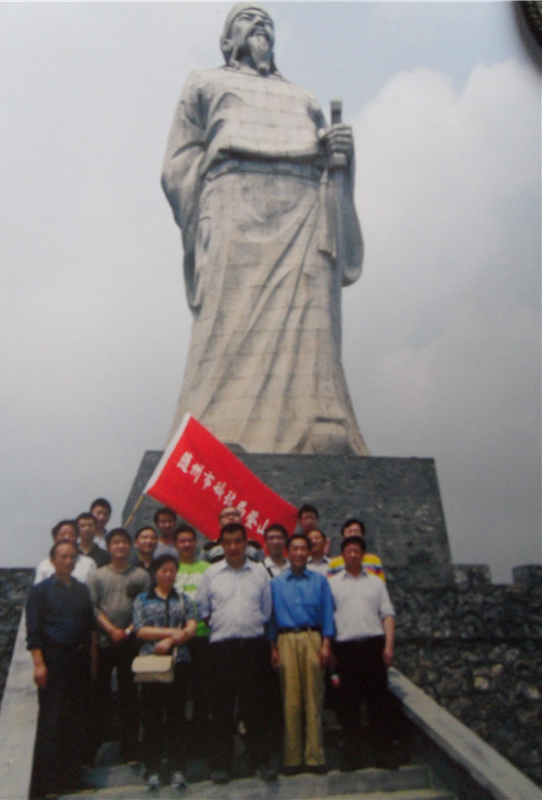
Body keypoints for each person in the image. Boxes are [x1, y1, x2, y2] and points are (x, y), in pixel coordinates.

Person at [162, 3, 367, 456]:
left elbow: (328, 158)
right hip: (234, 203)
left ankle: (318, 417)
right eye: (248, 18)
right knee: (227, 322)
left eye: (267, 22)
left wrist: (339, 155)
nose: (260, 25)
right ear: (226, 41)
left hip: (304, 208)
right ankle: (218, 425)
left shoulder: (303, 97)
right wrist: (206, 214)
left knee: (311, 315)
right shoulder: (204, 82)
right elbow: (176, 165)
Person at [196, 522, 276, 784]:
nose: (233, 547)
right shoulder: (211, 574)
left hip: (253, 647)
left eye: (238, 541)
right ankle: (220, 765)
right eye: (228, 542)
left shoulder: (260, 573)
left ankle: (260, 762)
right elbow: (204, 610)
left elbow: (266, 610)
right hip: (222, 648)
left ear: (246, 542)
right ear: (221, 545)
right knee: (221, 708)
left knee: (256, 707)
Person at [26, 539, 96, 797]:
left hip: (79, 659)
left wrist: (92, 663)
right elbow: (33, 631)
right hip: (54, 659)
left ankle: (73, 776)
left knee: (77, 719)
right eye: (63, 556)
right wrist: (39, 664)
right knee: (52, 721)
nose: (68, 561)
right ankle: (49, 783)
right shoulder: (40, 591)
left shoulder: (81, 590)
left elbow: (90, 628)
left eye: (72, 557)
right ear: (53, 560)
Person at [328, 535, 398, 770]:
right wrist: (329, 648)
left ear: (363, 554)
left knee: (378, 703)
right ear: (342, 555)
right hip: (345, 649)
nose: (352, 555)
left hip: (373, 646)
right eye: (348, 551)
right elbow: (327, 618)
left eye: (356, 551)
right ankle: (352, 756)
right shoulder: (332, 584)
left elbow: (387, 614)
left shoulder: (376, 583)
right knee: (348, 706)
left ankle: (383, 754)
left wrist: (388, 646)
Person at [268, 534, 334, 775]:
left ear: (309, 552)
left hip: (312, 637)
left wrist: (326, 644)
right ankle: (292, 758)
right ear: (288, 552)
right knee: (291, 699)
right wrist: (273, 647)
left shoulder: (320, 581)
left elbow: (328, 614)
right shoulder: (276, 583)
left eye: (303, 549)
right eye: (294, 549)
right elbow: (270, 618)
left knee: (314, 697)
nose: (298, 553)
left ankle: (315, 757)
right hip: (285, 639)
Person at [86, 528, 151, 763]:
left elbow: (145, 607)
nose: (120, 547)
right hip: (104, 643)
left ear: (131, 546)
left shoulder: (141, 576)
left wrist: (127, 630)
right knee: (98, 697)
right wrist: (112, 630)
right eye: (116, 543)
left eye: (124, 542)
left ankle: (130, 748)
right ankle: (90, 752)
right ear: (109, 547)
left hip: (131, 644)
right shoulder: (97, 576)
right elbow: (93, 607)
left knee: (130, 698)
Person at [133, 554, 197, 790]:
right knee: (152, 718)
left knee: (177, 716)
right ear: (155, 573)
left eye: (172, 570)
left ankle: (177, 768)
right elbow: (140, 630)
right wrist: (171, 633)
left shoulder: (183, 599)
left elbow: (191, 626)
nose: (168, 574)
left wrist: (172, 640)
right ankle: (152, 769)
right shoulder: (143, 599)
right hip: (152, 664)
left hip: (179, 663)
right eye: (163, 570)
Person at [173, 524, 211, 744]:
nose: (186, 544)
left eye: (190, 540)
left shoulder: (207, 568)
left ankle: (200, 740)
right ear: (176, 544)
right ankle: (179, 741)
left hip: (203, 636)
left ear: (195, 543)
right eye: (182, 541)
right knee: (177, 691)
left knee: (202, 691)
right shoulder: (169, 568)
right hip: (177, 638)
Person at [34, 519, 97, 585]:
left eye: (71, 534)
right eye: (63, 534)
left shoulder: (88, 563)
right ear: (55, 539)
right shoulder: (44, 566)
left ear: (77, 538)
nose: (67, 537)